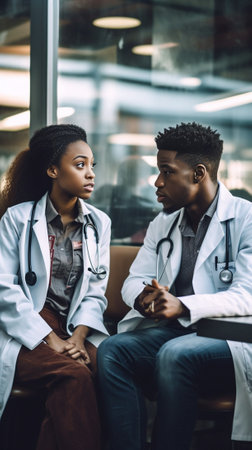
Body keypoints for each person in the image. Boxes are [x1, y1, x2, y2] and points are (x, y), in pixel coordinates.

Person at [97, 122, 252, 450]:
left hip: (231, 337)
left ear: (198, 173)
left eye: (167, 172)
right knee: (112, 350)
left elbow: (246, 296)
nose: (157, 182)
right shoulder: (164, 222)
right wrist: (144, 299)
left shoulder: (246, 219)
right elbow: (134, 279)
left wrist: (183, 306)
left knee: (175, 355)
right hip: (178, 331)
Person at [0, 124, 111, 450]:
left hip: (76, 326)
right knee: (74, 376)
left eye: (92, 165)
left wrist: (76, 338)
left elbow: (95, 289)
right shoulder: (17, 219)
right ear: (52, 170)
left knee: (108, 371)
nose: (90, 174)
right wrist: (50, 339)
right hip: (27, 327)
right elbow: (4, 288)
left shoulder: (99, 223)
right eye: (80, 165)